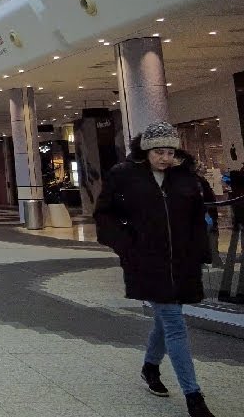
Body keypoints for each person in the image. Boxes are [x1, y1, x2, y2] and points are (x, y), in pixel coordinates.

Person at [94, 122, 217, 417]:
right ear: (146, 150)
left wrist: (201, 250)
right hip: (147, 262)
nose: (165, 157)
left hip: (182, 262)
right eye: (159, 151)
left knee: (166, 320)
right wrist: (127, 245)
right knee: (175, 323)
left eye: (170, 151)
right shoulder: (124, 176)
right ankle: (194, 396)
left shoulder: (185, 178)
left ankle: (150, 367)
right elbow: (104, 215)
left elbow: (200, 215)